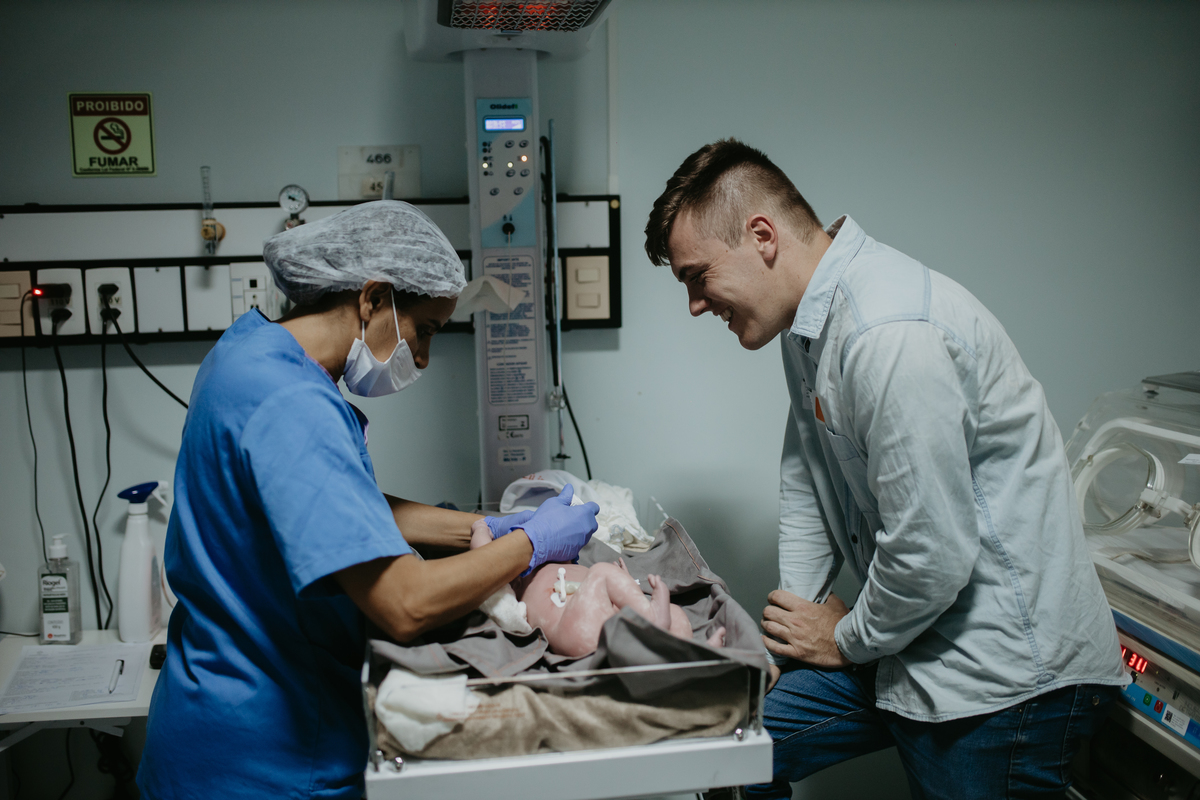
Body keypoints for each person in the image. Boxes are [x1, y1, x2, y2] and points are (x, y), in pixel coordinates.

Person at [643, 140, 1128, 799]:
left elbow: (932, 553)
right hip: (909, 636)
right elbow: (808, 474)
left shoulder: (888, 332)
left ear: (762, 236)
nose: (696, 304)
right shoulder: (809, 325)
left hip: (1000, 675)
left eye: (697, 276)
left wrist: (844, 639)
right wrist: (793, 633)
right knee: (733, 749)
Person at [136, 201, 600, 800]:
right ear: (374, 298)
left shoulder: (245, 355)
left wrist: (483, 526)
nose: (424, 358)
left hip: (203, 722)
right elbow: (404, 604)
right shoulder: (295, 404)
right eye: (425, 330)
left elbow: (330, 504)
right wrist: (529, 544)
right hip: (264, 758)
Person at [469, 517, 726, 656]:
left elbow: (609, 592)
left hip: (609, 622)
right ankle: (654, 620)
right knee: (602, 573)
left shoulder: (567, 559)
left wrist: (624, 583)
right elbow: (484, 560)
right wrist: (482, 528)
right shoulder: (515, 573)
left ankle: (692, 656)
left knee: (677, 615)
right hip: (573, 625)